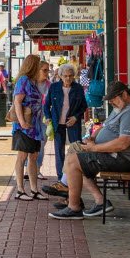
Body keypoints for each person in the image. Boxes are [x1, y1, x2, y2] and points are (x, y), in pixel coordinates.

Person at [49, 82, 130, 219]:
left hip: (121, 158)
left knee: (73, 161)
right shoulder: (121, 108)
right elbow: (105, 126)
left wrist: (94, 148)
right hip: (112, 154)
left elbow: (123, 143)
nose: (111, 103)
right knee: (75, 150)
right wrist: (92, 138)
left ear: (124, 95)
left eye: (113, 99)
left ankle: (73, 206)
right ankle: (98, 201)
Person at [41, 64, 87, 197]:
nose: (68, 78)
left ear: (74, 76)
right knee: (59, 151)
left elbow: (84, 106)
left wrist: (75, 117)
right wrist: (48, 118)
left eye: (70, 76)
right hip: (57, 123)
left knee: (76, 149)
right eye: (65, 76)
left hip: (73, 122)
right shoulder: (54, 87)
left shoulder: (78, 88)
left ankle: (74, 177)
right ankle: (61, 180)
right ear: (60, 76)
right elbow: (46, 105)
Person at [9, 54, 46, 200]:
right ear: (32, 66)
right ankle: (19, 190)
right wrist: (22, 121)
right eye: (38, 65)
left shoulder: (33, 81)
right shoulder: (23, 80)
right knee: (22, 156)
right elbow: (17, 101)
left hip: (34, 126)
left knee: (34, 156)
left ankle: (34, 189)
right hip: (24, 127)